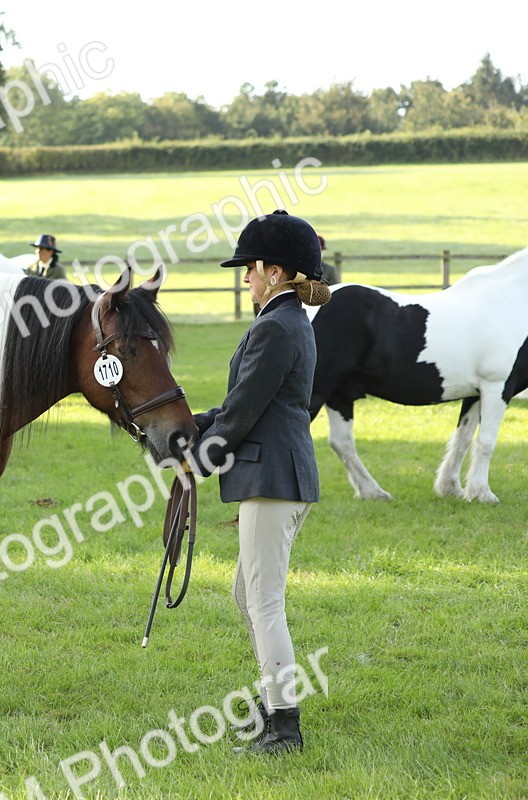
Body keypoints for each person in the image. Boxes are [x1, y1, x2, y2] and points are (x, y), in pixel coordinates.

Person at [189, 210, 332, 755]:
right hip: (275, 473)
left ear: (275, 272)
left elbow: (244, 411)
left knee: (264, 601)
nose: (244, 276)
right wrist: (191, 423)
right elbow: (240, 403)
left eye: (250, 268)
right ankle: (273, 700)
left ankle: (284, 727)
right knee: (247, 595)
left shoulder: (276, 325)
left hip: (273, 477)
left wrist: (196, 460)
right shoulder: (285, 321)